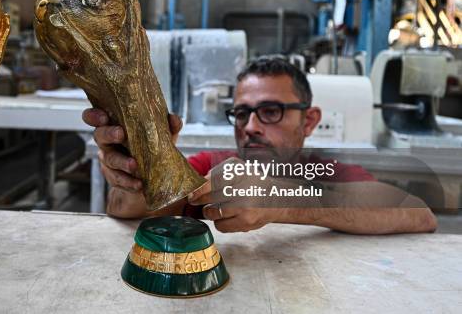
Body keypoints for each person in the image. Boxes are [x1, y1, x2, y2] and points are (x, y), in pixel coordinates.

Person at [82, 57, 437, 235]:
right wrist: (138, 167)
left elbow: (419, 213)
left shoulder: (324, 173)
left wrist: (284, 200)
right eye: (241, 113)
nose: (250, 127)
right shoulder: (211, 169)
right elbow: (126, 208)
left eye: (270, 112)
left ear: (309, 120)